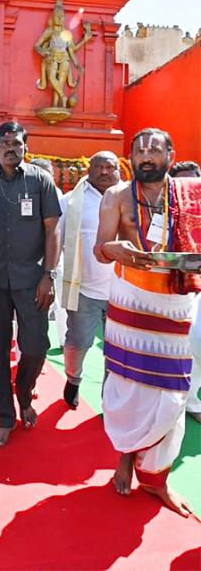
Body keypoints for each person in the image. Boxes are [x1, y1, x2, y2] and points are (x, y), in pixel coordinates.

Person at [95, 128, 200, 516]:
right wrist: (114, 248)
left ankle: (156, 479)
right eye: (140, 150)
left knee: (171, 396)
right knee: (127, 387)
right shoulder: (116, 196)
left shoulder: (191, 195)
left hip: (174, 304)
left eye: (155, 150)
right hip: (130, 302)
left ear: (171, 154)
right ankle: (125, 455)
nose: (146, 156)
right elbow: (100, 248)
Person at [0, 121, 61, 446]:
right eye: (5, 143)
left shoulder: (41, 181)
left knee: (36, 345)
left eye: (17, 143)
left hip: (32, 280)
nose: (11, 149)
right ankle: (5, 417)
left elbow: (52, 230)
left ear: (26, 147)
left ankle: (23, 390)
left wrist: (48, 276)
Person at [59, 152, 120, 408]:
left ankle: (111, 395)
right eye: (99, 167)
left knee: (117, 349)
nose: (105, 172)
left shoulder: (129, 199)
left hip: (122, 291)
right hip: (84, 289)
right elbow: (57, 239)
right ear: (89, 169)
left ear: (119, 171)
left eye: (110, 167)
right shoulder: (70, 202)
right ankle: (73, 378)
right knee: (78, 342)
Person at [169, 161, 201, 423]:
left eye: (193, 181)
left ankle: (191, 398)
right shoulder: (164, 210)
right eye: (182, 183)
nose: (188, 188)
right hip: (175, 286)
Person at [29, 157, 67, 350]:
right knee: (31, 306)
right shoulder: (26, 195)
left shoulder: (60, 197)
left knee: (60, 303)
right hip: (31, 260)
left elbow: (62, 229)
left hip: (55, 259)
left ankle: (63, 340)